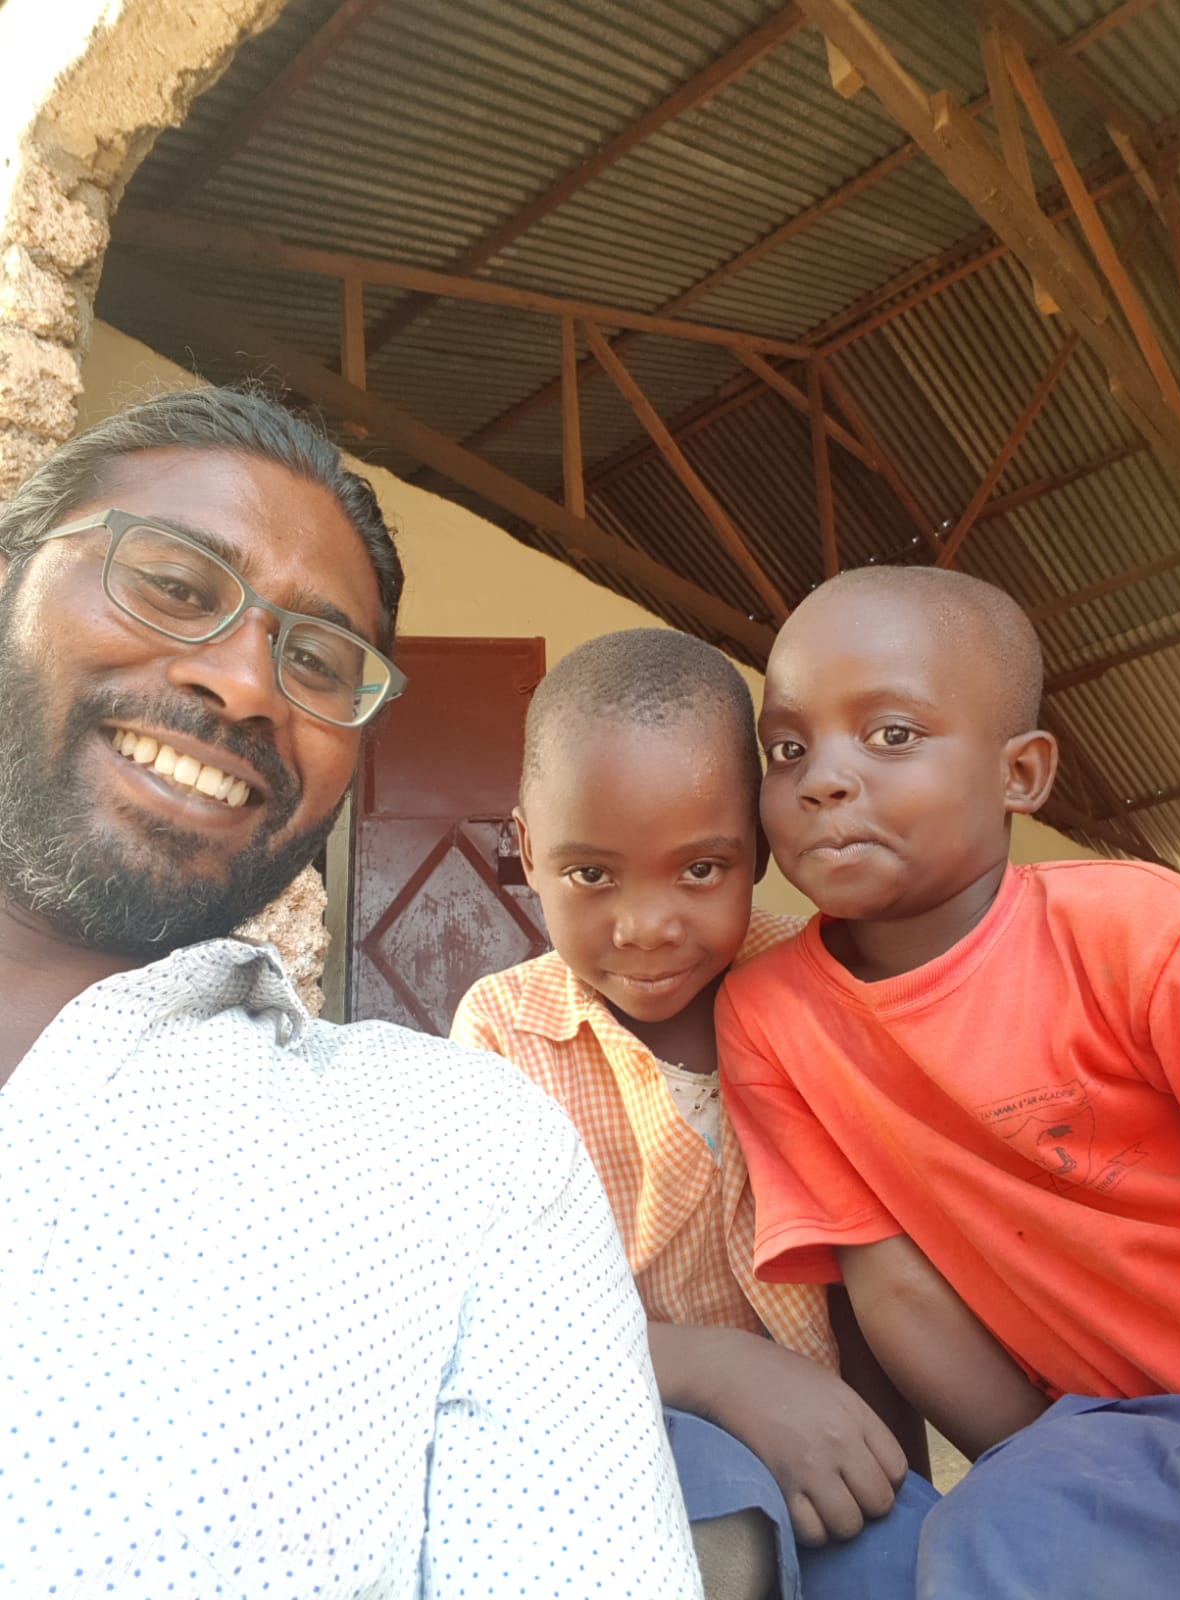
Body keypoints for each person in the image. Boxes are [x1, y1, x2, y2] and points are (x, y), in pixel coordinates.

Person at [0, 388, 703, 1599]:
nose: (246, 685)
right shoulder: (512, 1030)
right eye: (173, 585)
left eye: (319, 661)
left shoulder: (463, 1148)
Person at [717, 565, 1180, 1596]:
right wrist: (1047, 1467)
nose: (823, 778)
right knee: (997, 1536)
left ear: (1020, 773)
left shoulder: (1141, 935)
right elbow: (894, 1288)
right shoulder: (771, 1018)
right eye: (787, 748)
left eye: (891, 734)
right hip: (1113, 1437)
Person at [451, 630, 939, 1600]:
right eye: (593, 875)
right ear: (529, 851)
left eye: (701, 869)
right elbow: (501, 1316)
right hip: (631, 1425)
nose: (647, 926)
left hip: (834, 1423)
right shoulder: (505, 1034)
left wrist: (900, 1470)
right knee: (726, 1557)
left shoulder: (818, 984)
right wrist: (719, 1369)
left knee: (904, 1558)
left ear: (755, 849)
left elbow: (880, 1265)